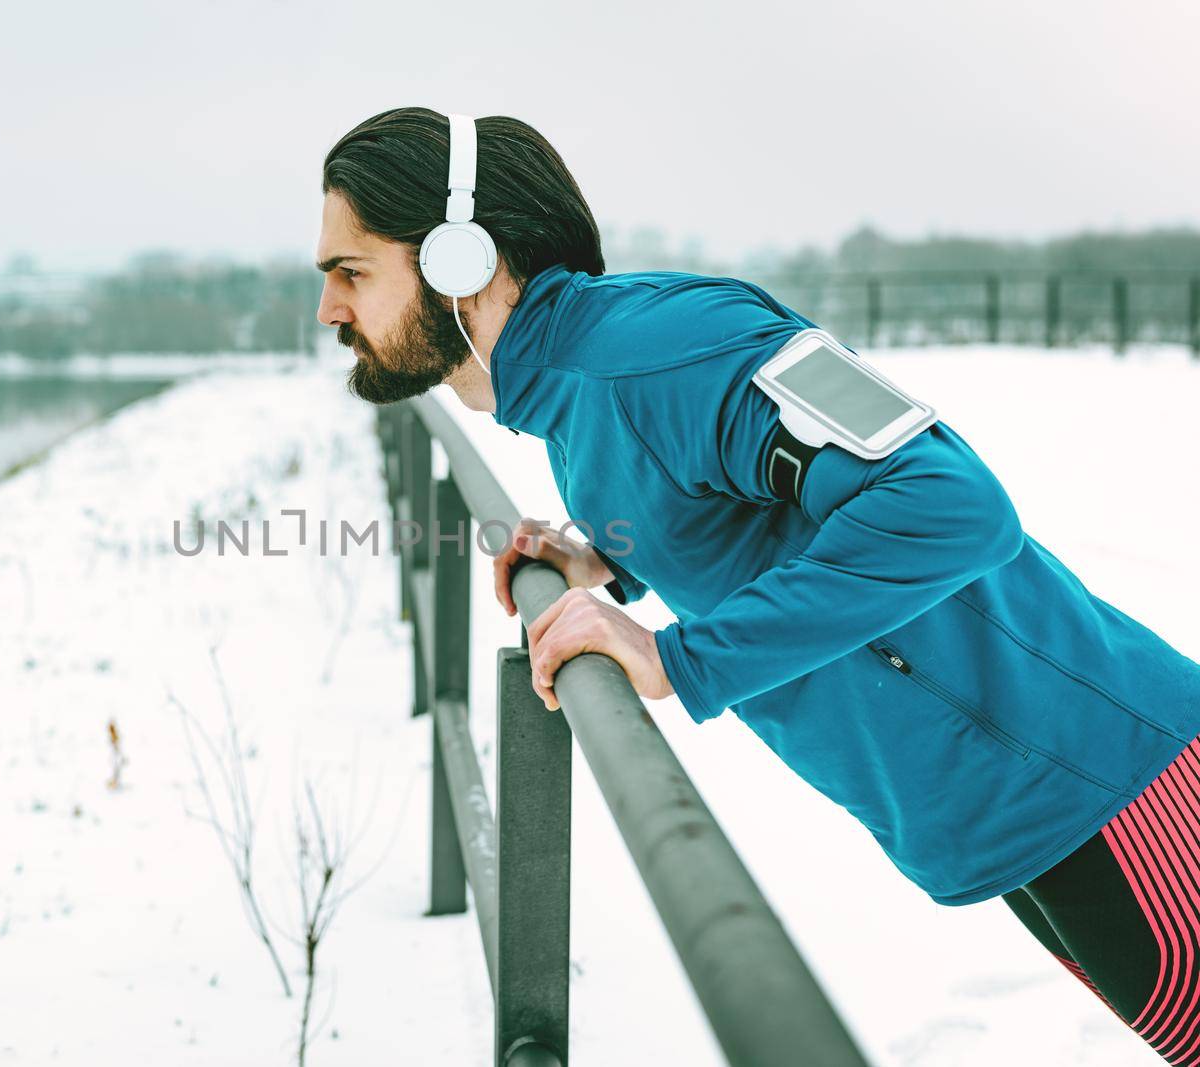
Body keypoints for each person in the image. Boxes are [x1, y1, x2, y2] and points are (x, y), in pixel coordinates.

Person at [315, 106, 1200, 1063]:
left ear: (459, 260)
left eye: (350, 271)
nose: (329, 309)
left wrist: (680, 658)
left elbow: (947, 501)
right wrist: (610, 559)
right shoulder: (575, 392)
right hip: (1023, 817)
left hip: (1110, 779)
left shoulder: (667, 349)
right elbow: (729, 500)